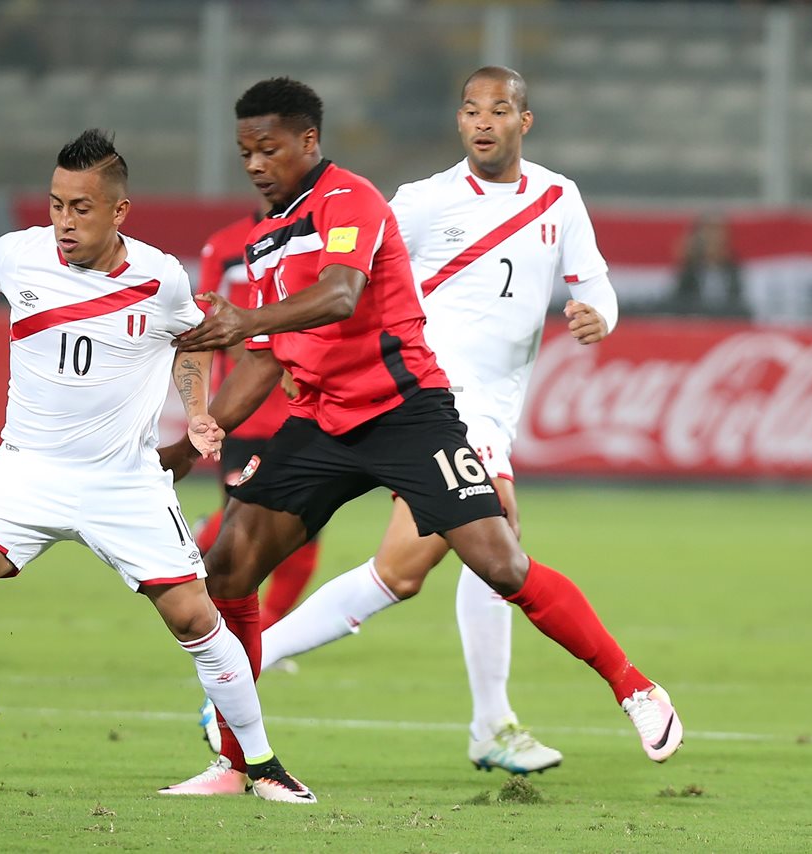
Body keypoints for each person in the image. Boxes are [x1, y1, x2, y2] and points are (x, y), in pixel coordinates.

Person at [159, 77, 682, 795]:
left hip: (412, 408)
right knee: (231, 570)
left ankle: (631, 689)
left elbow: (344, 291)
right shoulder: (271, 239)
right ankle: (238, 759)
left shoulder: (364, 200)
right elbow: (266, 354)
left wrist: (600, 314)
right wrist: (194, 441)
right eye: (245, 151)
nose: (253, 164)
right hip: (328, 417)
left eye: (268, 150)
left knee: (496, 561)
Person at [0, 129, 315, 804]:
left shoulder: (160, 277)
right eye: (57, 204)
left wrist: (199, 409)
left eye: (81, 208)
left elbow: (188, 345)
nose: (64, 221)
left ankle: (261, 763)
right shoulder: (18, 255)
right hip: (25, 472)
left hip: (123, 482)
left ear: (119, 211)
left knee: (196, 622)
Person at [259, 66, 623, 775]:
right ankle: (495, 725)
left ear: (525, 120)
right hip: (433, 400)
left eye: (498, 109)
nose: (483, 120)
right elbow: (357, 273)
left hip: (494, 406)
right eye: (470, 109)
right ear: (458, 122)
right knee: (499, 533)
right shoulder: (423, 202)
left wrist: (596, 314)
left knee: (400, 572)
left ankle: (249, 661)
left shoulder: (559, 196)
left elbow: (594, 281)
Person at [193, 205, 324, 753]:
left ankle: (262, 642)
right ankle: (244, 658)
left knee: (300, 542)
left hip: (304, 412)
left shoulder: (323, 238)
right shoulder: (223, 248)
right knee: (245, 540)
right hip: (247, 413)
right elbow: (204, 324)